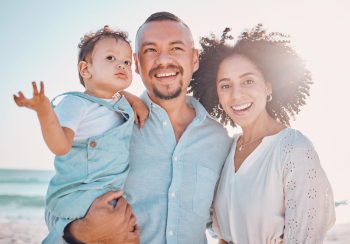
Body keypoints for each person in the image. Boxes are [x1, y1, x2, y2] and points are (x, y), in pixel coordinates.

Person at [63, 12, 232, 244]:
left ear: (194, 59)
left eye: (176, 48)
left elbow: (221, 222)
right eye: (150, 50)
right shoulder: (108, 123)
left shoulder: (219, 138)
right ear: (136, 62)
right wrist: (81, 233)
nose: (164, 60)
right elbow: (61, 203)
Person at [189, 25, 336, 243]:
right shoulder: (227, 151)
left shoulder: (293, 149)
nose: (237, 95)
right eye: (225, 85)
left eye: (248, 81)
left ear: (268, 86)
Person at [13, 26, 148, 243]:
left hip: (107, 194)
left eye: (127, 62)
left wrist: (136, 101)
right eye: (111, 58)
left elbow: (116, 94)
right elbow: (60, 146)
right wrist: (44, 112)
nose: (122, 65)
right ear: (86, 70)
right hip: (79, 196)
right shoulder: (75, 103)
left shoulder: (120, 102)